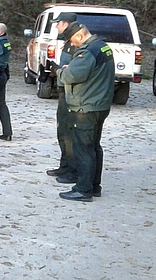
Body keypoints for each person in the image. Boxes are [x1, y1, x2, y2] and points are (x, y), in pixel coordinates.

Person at [50, 22, 115, 202]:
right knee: (94, 147)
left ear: (79, 36)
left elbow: (71, 76)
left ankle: (83, 189)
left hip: (85, 106)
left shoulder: (87, 52)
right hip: (100, 104)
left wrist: (59, 71)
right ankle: (94, 186)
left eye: (73, 41)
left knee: (83, 148)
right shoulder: (102, 47)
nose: (73, 45)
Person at [43, 12, 78, 180]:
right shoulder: (68, 42)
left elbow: (75, 70)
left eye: (58, 23)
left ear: (65, 23)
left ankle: (72, 170)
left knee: (69, 133)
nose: (56, 26)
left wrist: (60, 70)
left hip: (71, 93)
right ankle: (65, 165)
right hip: (64, 91)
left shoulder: (76, 44)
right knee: (62, 131)